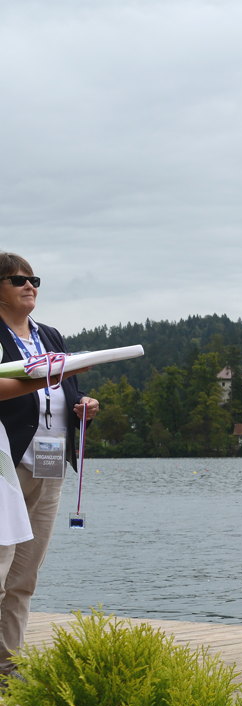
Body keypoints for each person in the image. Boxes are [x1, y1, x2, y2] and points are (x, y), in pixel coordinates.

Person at [0, 251, 100, 683]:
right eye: (18, 279)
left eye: (34, 279)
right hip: (5, 466)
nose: (30, 286)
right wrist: (47, 379)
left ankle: (8, 667)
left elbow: (66, 389)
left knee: (25, 575)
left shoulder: (52, 336)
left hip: (50, 463)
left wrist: (82, 405)